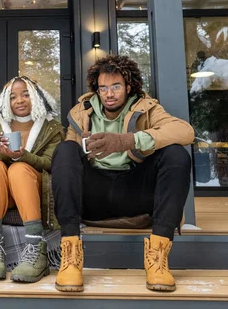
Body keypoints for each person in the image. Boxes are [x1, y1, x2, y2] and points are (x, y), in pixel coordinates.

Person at [51, 55, 194, 293]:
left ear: (129, 86)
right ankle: (71, 256)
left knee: (176, 155)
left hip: (134, 193)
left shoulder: (146, 108)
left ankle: (158, 258)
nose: (109, 94)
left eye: (116, 87)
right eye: (103, 88)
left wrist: (126, 140)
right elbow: (68, 168)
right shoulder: (80, 113)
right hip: (93, 197)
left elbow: (185, 131)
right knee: (65, 149)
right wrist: (84, 152)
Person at [0, 76, 64, 282]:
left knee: (19, 169)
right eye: (13, 97)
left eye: (26, 95)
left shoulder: (52, 128)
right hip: (2, 197)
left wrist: (22, 156)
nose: (20, 100)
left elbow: (51, 163)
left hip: (33, 192)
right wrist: (2, 153)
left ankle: (36, 248)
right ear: (6, 101)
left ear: (36, 97)